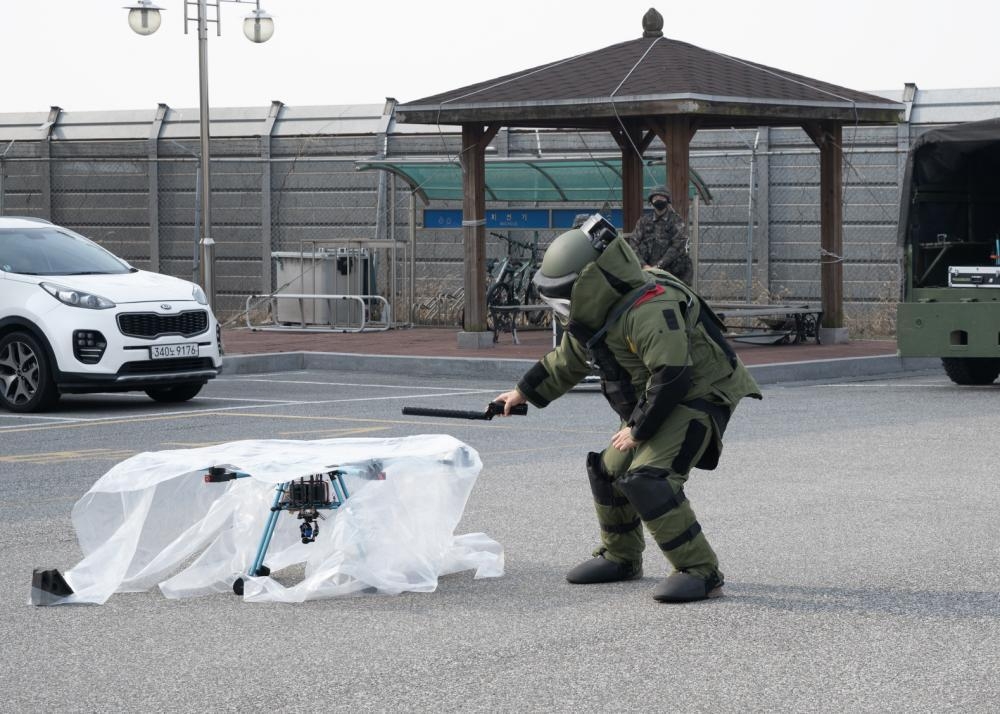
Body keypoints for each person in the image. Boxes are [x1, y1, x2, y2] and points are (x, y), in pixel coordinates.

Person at [495, 214, 760, 603]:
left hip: (698, 395)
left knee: (649, 478)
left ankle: (700, 571)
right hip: (660, 395)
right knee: (607, 470)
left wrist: (637, 430)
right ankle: (621, 556)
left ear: (591, 284)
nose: (563, 305)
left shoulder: (651, 308)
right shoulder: (598, 311)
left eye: (567, 294)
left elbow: (673, 375)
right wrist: (522, 393)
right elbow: (568, 359)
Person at [629, 185, 693, 284]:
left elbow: (678, 246)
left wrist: (658, 266)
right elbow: (633, 243)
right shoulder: (644, 221)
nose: (658, 200)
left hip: (672, 273)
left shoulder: (676, 220)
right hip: (647, 271)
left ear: (667, 200)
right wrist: (644, 265)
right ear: (651, 201)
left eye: (662, 197)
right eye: (655, 198)